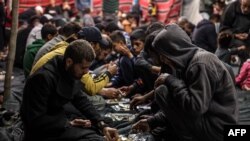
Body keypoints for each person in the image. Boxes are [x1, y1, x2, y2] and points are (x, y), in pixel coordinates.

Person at [132, 24, 238, 141]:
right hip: (207, 121)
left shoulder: (200, 63)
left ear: (174, 49)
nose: (162, 60)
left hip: (218, 129)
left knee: (162, 92)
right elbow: (179, 107)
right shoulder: (186, 64)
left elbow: (195, 108)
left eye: (163, 55)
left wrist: (171, 80)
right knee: (163, 91)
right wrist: (152, 122)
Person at [21, 40, 119, 141]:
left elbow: (81, 100)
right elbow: (35, 120)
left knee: (106, 124)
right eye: (83, 68)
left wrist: (101, 124)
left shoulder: (68, 71)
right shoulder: (43, 78)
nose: (86, 72)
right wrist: (67, 123)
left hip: (60, 121)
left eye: (88, 68)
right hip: (44, 132)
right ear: (69, 62)